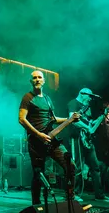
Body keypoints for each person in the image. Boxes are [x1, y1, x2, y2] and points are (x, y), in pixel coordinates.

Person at [18, 70, 79, 205]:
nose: (37, 79)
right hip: (36, 141)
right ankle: (37, 205)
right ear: (31, 81)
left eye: (39, 77)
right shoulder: (27, 98)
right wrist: (38, 134)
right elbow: (21, 119)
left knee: (70, 166)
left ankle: (69, 199)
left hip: (51, 139)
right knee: (38, 174)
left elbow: (53, 119)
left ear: (44, 81)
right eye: (34, 78)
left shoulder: (47, 99)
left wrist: (69, 119)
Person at [67, 88, 109, 200]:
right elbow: (73, 120)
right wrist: (87, 128)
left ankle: (99, 195)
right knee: (77, 166)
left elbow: (91, 124)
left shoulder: (87, 107)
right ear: (82, 94)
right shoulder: (73, 103)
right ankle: (74, 194)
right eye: (89, 96)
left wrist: (102, 117)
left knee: (95, 167)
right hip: (76, 138)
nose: (90, 99)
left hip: (87, 140)